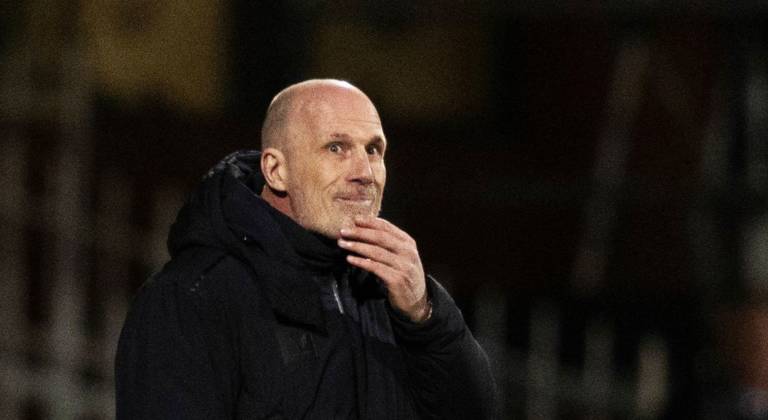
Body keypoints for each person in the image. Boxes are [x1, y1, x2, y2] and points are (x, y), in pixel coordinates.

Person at [115, 79, 496, 419]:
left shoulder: (393, 293)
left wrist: (426, 320)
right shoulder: (191, 297)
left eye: (373, 150)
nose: (364, 173)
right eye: (336, 147)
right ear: (276, 171)